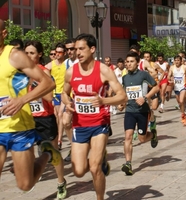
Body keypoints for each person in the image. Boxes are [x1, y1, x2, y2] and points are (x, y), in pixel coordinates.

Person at [61, 33, 127, 200]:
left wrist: (103, 100)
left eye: (81, 49)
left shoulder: (103, 70)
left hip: (99, 124)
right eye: (76, 49)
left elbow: (122, 96)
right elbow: (63, 92)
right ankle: (102, 159)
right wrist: (67, 102)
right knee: (78, 171)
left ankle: (99, 198)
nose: (78, 53)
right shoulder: (70, 72)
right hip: (80, 125)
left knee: (94, 167)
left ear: (92, 49)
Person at [0, 19, 61, 192]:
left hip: (19, 127)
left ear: (4, 34)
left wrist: (22, 100)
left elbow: (48, 83)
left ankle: (48, 153)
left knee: (25, 185)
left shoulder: (15, 56)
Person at [25, 40, 67, 199]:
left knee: (52, 153)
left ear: (40, 54)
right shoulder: (21, 72)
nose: (28, 56)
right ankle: (30, 178)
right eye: (26, 53)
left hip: (45, 119)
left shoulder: (44, 72)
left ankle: (61, 181)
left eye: (32, 53)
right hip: (28, 119)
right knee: (26, 152)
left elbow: (49, 96)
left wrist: (35, 82)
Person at [119, 52, 159, 175]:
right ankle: (128, 163)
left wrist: (145, 97)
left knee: (142, 139)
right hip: (130, 111)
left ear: (137, 63)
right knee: (128, 137)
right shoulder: (125, 78)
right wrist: (121, 103)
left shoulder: (143, 75)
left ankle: (152, 135)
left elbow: (156, 87)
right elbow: (125, 93)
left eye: (131, 61)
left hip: (142, 111)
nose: (128, 64)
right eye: (127, 61)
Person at [45, 42, 67, 149]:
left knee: (60, 115)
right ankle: (57, 137)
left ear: (64, 53)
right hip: (54, 94)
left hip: (64, 94)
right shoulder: (50, 65)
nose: (57, 54)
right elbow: (41, 71)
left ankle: (59, 140)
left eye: (59, 52)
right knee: (56, 116)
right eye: (56, 52)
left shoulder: (67, 64)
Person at [167, 55, 186, 126]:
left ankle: (183, 116)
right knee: (179, 102)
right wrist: (170, 79)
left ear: (181, 61)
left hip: (183, 86)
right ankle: (183, 113)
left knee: (181, 101)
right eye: (175, 60)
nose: (177, 62)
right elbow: (169, 76)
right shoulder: (172, 67)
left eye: (178, 60)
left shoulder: (184, 67)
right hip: (176, 87)